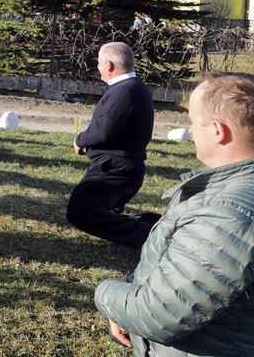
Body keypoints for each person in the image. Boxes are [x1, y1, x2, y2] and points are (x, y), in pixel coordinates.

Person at [95, 72, 254, 356]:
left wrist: (106, 293)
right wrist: (130, 284)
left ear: (219, 131)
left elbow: (160, 314)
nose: (191, 131)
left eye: (194, 122)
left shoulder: (226, 214)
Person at [67, 41, 158, 248]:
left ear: (108, 65)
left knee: (80, 211)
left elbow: (104, 129)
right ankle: (154, 225)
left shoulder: (126, 91)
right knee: (93, 208)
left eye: (98, 63)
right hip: (121, 167)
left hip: (115, 168)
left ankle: (150, 236)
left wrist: (80, 139)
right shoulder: (133, 88)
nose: (97, 67)